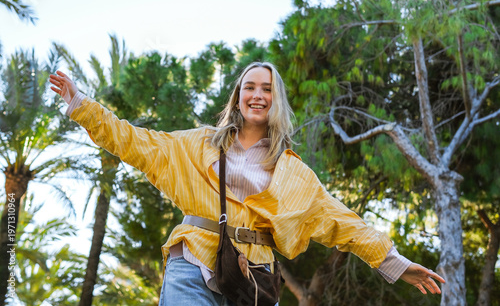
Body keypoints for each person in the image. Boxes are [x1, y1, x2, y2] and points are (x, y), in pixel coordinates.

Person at [49, 62, 445, 306]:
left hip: (255, 280)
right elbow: (134, 141)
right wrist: (83, 106)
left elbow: (344, 222)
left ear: (277, 100)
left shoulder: (296, 173)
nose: (257, 94)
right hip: (195, 261)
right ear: (238, 96)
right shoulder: (197, 143)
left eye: (267, 89)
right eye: (249, 87)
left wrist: (394, 263)